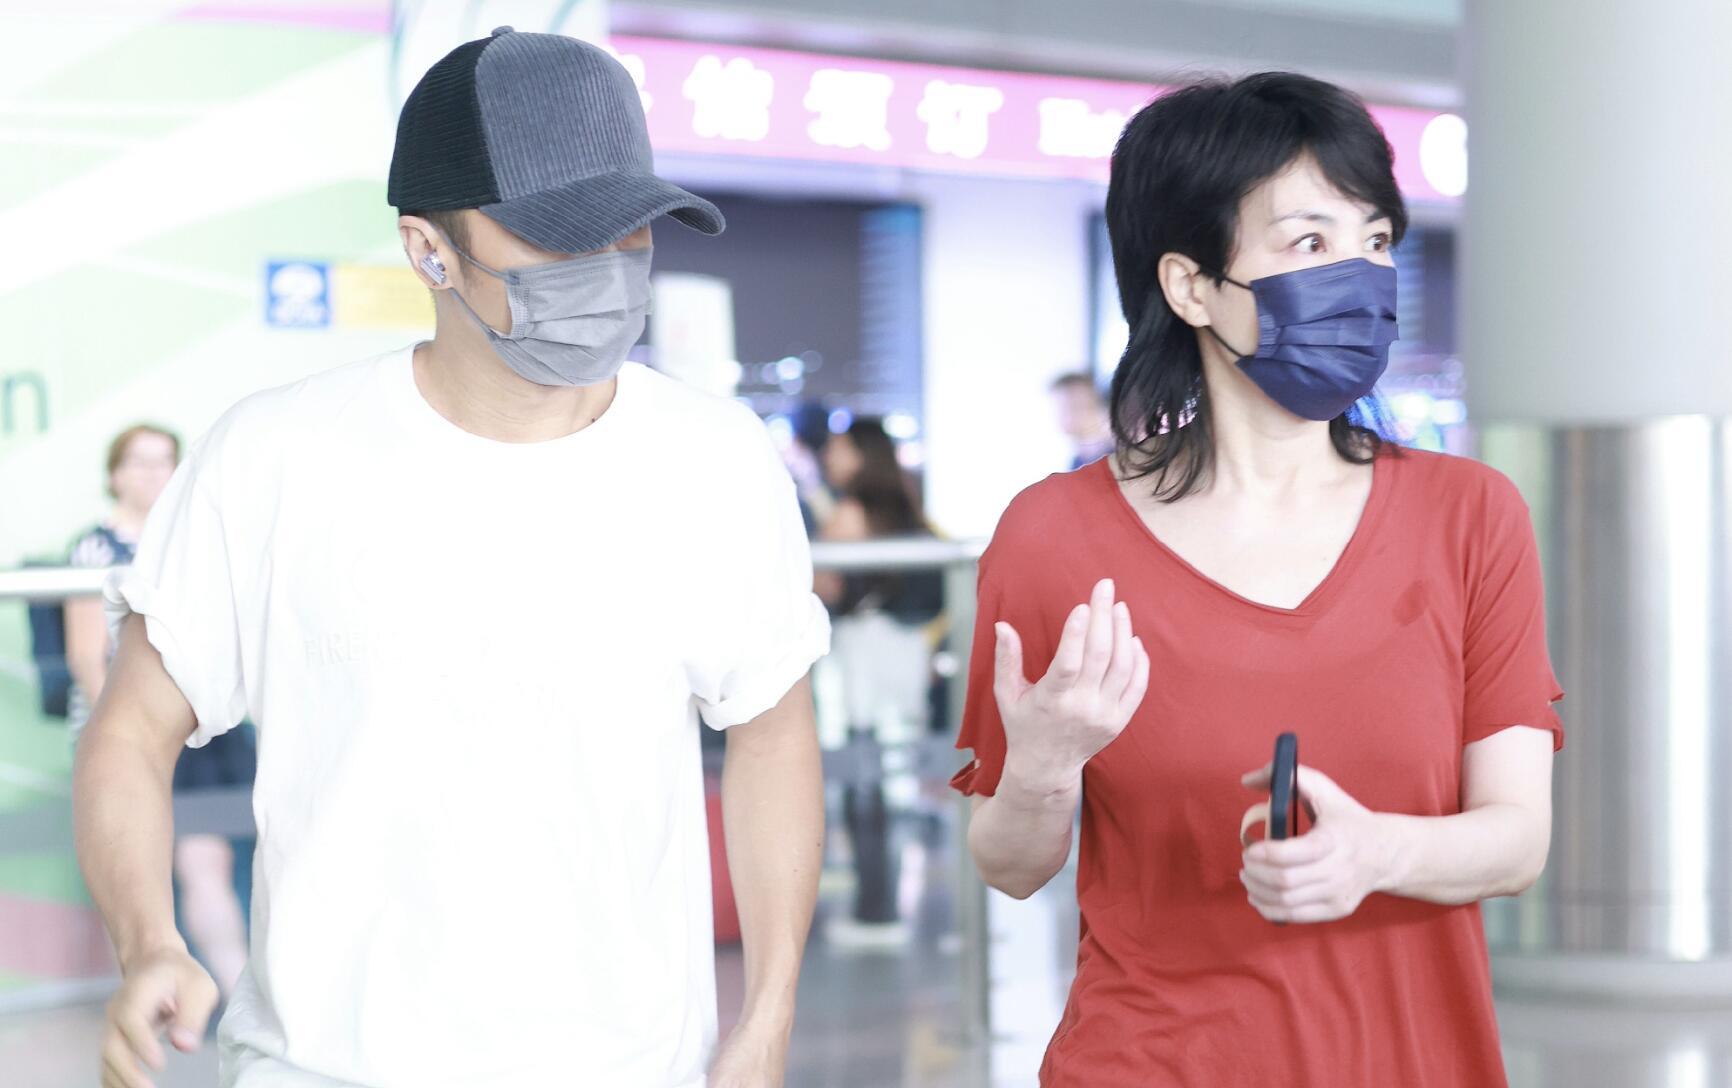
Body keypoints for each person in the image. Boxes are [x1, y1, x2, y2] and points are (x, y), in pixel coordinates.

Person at [76, 29, 828, 1088]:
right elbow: (130, 728)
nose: (607, 271)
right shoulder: (276, 455)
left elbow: (773, 736)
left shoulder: (715, 459)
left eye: (630, 229)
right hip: (325, 1067)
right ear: (428, 249)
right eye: (559, 237)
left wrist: (771, 1007)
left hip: (631, 1065)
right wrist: (148, 938)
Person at [954, 72, 1562, 1087]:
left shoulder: (1468, 516)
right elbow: (1009, 865)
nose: (1360, 277)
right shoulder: (1055, 537)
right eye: (1309, 243)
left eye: (1375, 240)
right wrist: (1045, 765)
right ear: (1190, 285)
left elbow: (1516, 839)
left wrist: (1377, 854)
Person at [65, 425, 252, 1004]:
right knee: (143, 880)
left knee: (205, 865)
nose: (153, 473)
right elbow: (87, 657)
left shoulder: (193, 540)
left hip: (201, 734)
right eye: (140, 461)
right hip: (134, 734)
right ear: (115, 473)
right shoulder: (94, 548)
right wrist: (123, 743)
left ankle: (234, 999)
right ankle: (172, 1003)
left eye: (163, 460)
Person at [813, 418, 943, 940]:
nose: (829, 457)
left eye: (839, 448)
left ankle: (874, 908)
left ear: (862, 454)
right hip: (904, 656)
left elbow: (821, 585)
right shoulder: (906, 507)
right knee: (894, 776)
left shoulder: (849, 512)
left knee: (860, 774)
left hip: (861, 660)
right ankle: (884, 903)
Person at [1049, 371, 1114, 470]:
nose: (1064, 416)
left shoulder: (1122, 455)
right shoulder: (1077, 463)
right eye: (1060, 409)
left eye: (1074, 406)